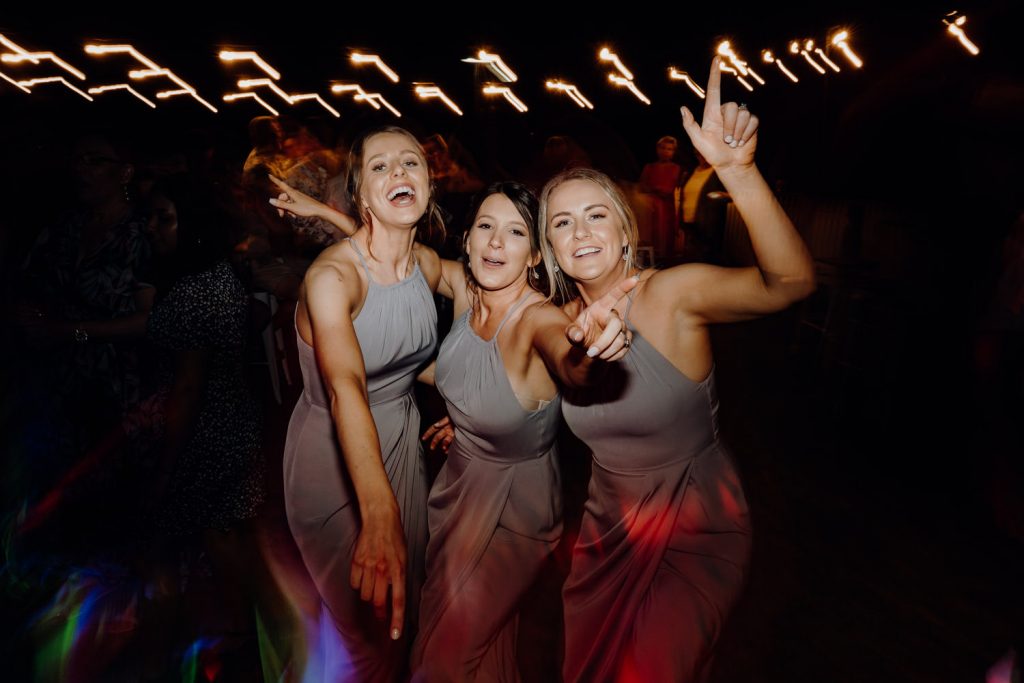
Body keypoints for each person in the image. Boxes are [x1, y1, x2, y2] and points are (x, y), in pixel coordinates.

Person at [538, 58, 816, 682]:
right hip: (606, 536)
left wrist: (738, 173)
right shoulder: (553, 321)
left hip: (696, 523)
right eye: (562, 221)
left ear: (625, 226)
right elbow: (543, 379)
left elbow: (792, 282)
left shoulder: (671, 294)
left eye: (596, 214)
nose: (580, 231)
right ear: (550, 249)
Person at [411, 182, 634, 682]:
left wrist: (589, 352)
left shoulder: (538, 320)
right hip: (456, 492)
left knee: (448, 657)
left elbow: (570, 361)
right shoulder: (466, 292)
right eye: (485, 227)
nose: (496, 243)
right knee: (476, 646)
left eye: (515, 232)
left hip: (516, 511)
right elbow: (401, 253)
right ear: (465, 240)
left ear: (534, 254)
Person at [277, 126, 446, 681]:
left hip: (403, 445)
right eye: (380, 167)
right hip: (335, 461)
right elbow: (346, 384)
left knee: (403, 619)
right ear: (360, 192)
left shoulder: (423, 266)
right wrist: (377, 511)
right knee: (363, 635)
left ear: (428, 181)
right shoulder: (330, 279)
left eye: (411, 162)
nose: (399, 173)